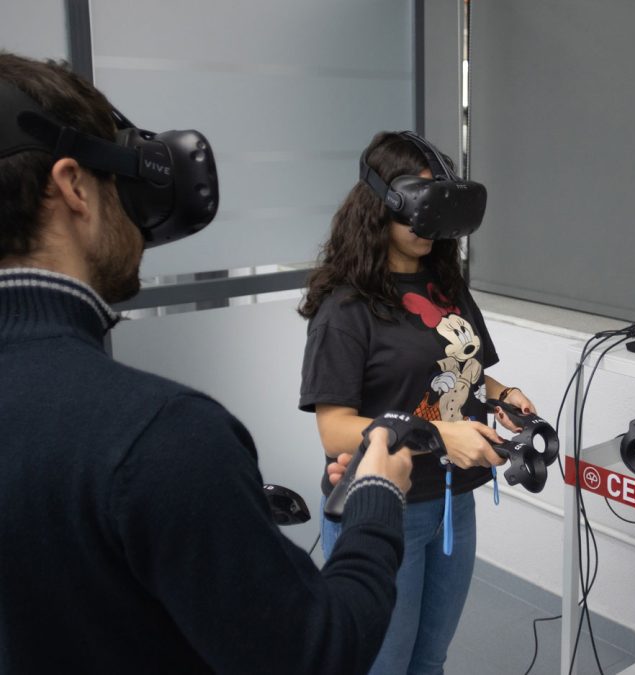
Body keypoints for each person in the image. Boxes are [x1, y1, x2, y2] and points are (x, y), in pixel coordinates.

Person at [0, 52, 414, 674]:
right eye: (118, 186)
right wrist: (377, 497)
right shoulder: (160, 436)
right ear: (74, 187)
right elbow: (318, 653)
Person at [298, 130, 538, 674]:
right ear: (381, 203)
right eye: (419, 201)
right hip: (382, 506)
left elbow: (463, 371)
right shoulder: (346, 307)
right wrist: (439, 434)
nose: (428, 221)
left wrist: (503, 395)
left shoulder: (446, 286)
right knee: (384, 665)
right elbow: (334, 429)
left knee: (429, 659)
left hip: (453, 501)